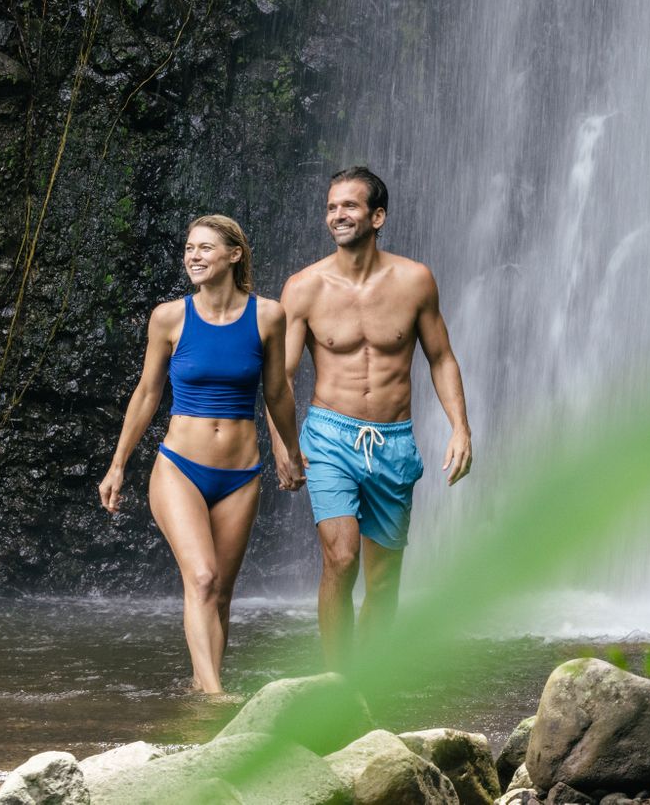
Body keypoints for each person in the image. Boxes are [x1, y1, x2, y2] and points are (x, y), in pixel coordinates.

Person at [98, 214, 305, 695]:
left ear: (235, 254)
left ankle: (200, 684)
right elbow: (147, 394)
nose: (193, 256)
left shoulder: (268, 315)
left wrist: (291, 452)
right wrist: (118, 465)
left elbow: (277, 392)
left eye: (205, 248)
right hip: (179, 468)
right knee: (204, 577)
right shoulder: (169, 317)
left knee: (222, 594)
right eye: (189, 247)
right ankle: (215, 703)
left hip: (241, 473)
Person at [282, 166, 473, 667]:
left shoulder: (414, 281)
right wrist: (282, 444)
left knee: (384, 583)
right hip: (328, 437)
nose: (337, 215)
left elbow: (441, 357)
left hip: (394, 441)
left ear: (378, 216)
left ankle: (364, 685)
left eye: (349, 206)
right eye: (330, 207)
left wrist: (460, 427)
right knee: (341, 559)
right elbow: (277, 378)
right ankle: (334, 683)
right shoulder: (304, 288)